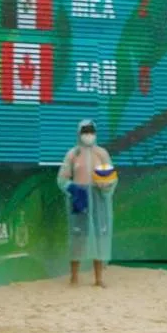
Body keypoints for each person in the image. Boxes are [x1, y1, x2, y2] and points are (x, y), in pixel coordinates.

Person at [56, 120, 117, 288]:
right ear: (79, 133)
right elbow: (62, 178)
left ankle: (98, 279)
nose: (88, 135)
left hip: (99, 199)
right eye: (85, 132)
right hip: (79, 197)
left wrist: (106, 187)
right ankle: (74, 277)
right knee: (78, 236)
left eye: (91, 132)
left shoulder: (102, 153)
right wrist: (74, 189)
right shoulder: (73, 154)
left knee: (99, 235)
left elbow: (111, 177)